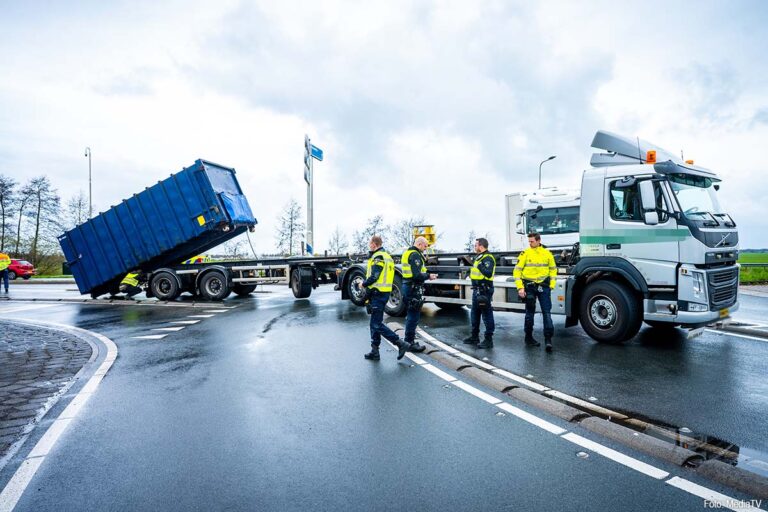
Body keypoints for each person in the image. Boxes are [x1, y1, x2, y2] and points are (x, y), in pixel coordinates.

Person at [358, 236, 412, 361]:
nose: (369, 245)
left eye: (370, 243)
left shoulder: (379, 257)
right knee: (374, 323)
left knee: (376, 324)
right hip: (382, 292)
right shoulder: (387, 256)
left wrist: (363, 284)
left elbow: (375, 276)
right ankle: (375, 350)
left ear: (374, 244)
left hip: (378, 293)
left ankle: (400, 343)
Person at [514, 232, 557, 352]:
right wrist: (520, 288)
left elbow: (553, 270)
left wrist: (552, 285)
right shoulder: (525, 253)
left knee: (546, 312)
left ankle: (548, 340)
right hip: (529, 286)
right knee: (529, 313)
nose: (530, 243)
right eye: (529, 241)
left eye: (532, 241)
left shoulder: (547, 253)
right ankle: (528, 338)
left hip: (544, 286)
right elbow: (517, 272)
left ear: (538, 241)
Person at [401, 236, 438, 353]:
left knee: (411, 314)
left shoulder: (407, 253)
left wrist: (426, 275)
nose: (425, 248)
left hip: (408, 286)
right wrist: (429, 276)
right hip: (413, 288)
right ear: (419, 244)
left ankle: (408, 341)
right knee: (413, 316)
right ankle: (409, 343)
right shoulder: (415, 255)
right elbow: (416, 275)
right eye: (425, 246)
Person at [463, 238, 496, 349]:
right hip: (477, 290)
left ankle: (488, 340)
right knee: (475, 314)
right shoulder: (479, 257)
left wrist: (480, 266)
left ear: (481, 246)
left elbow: (488, 273)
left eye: (476, 245)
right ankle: (474, 337)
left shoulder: (488, 258)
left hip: (484, 290)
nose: (474, 247)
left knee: (486, 315)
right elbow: (476, 272)